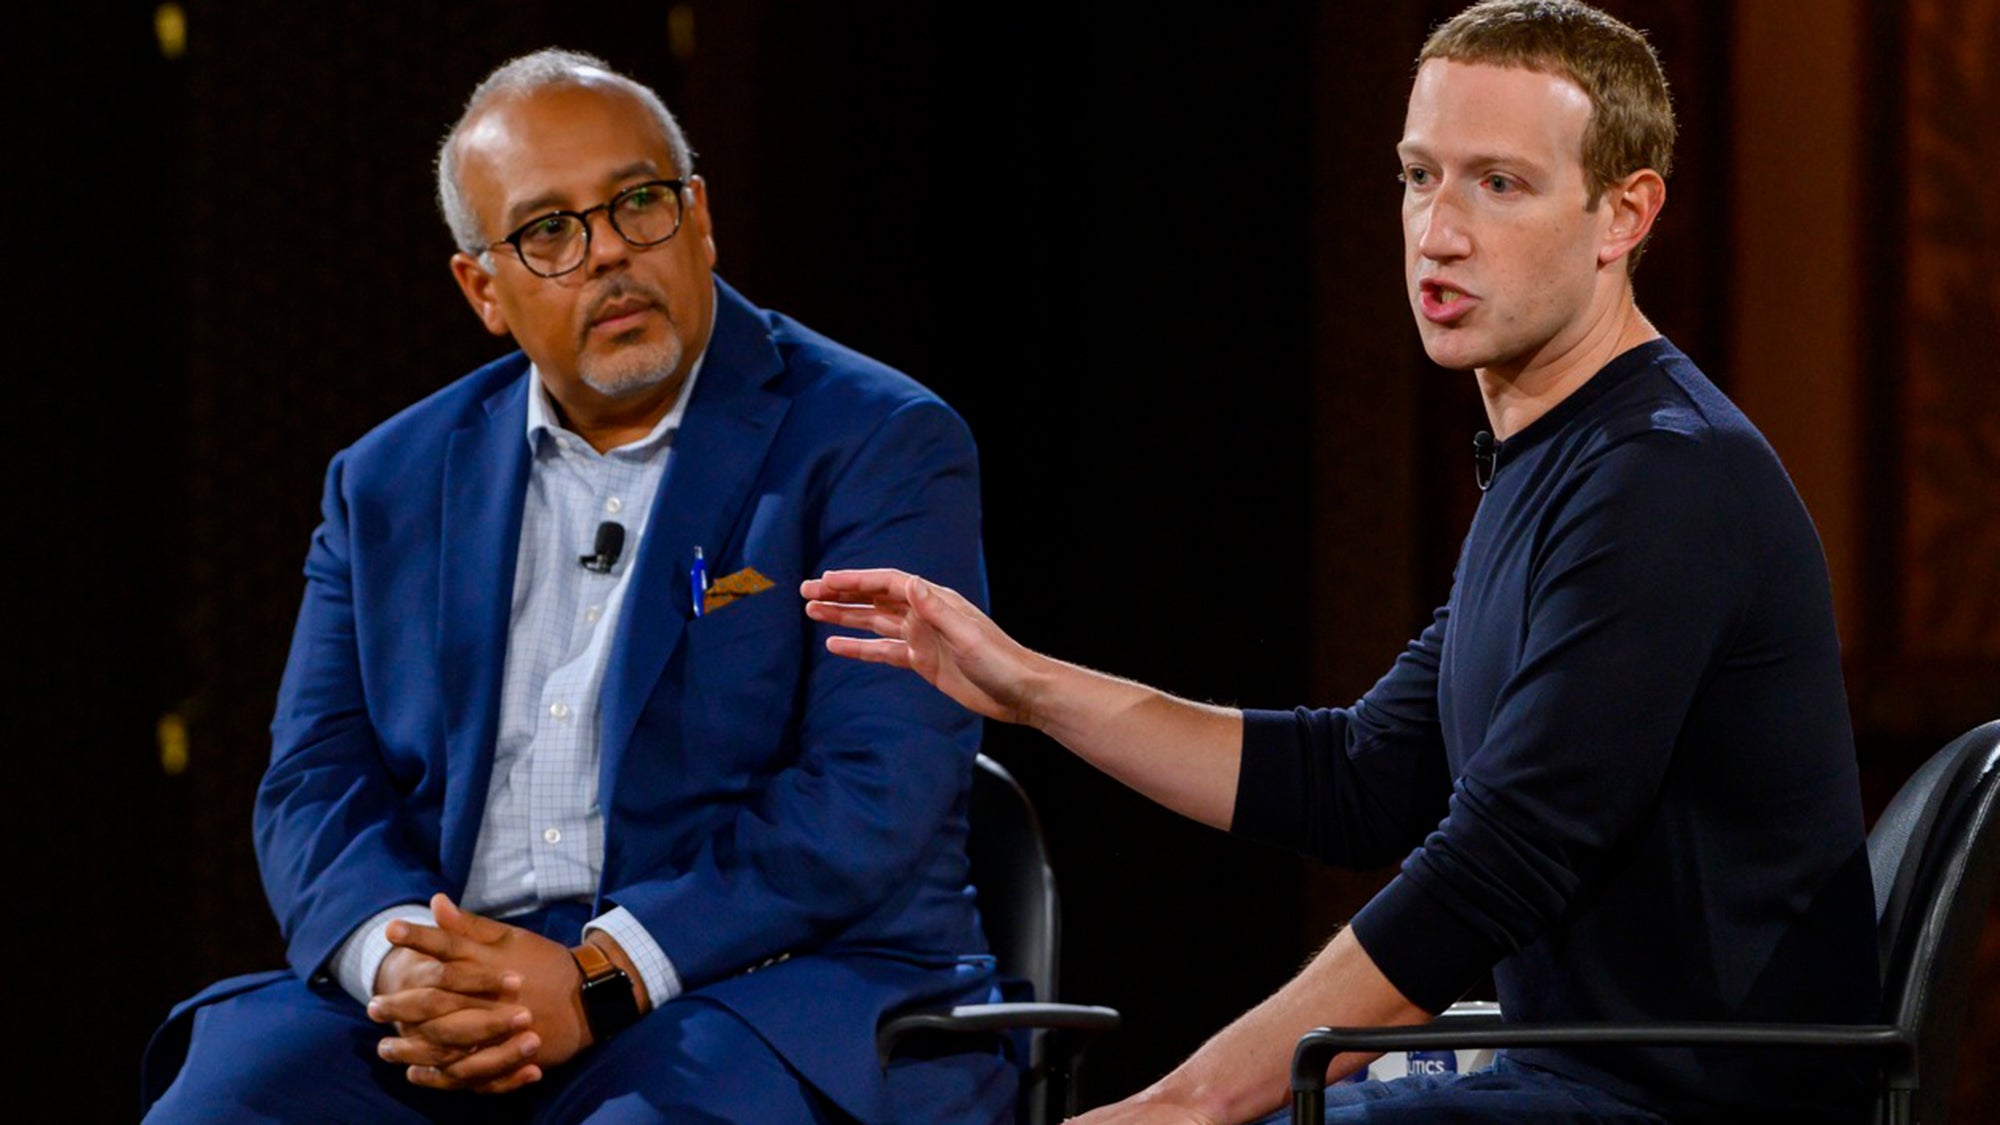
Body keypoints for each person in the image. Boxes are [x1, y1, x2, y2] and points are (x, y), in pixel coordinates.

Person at [803, 2, 1880, 1122]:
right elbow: (1360, 778)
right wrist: (1024, 685)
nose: (1437, 231)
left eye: (1497, 184)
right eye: (1419, 177)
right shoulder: (1561, 463)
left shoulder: (1663, 482)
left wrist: (1186, 1105)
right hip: (1570, 1073)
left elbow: (1493, 867)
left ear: (1622, 212)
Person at [141, 49, 1013, 1125]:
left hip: (760, 986)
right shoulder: (387, 482)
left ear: (698, 220)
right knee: (228, 1108)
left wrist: (603, 972)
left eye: (637, 204)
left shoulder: (874, 443)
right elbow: (314, 781)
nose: (606, 254)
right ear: (483, 290)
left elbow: (874, 785)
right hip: (463, 986)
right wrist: (399, 967)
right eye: (548, 231)